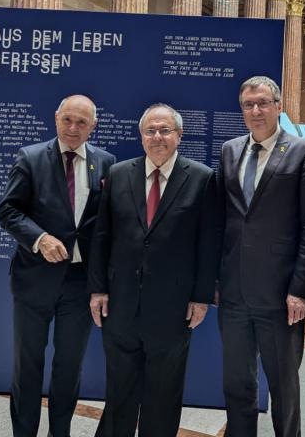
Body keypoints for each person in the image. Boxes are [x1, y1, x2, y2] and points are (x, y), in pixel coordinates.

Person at [88, 103, 222, 437]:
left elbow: (208, 245)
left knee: (164, 393)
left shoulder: (202, 179)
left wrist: (202, 297)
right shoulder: (119, 174)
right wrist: (98, 289)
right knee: (119, 390)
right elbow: (102, 236)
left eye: (165, 130)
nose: (157, 137)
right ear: (141, 136)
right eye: (150, 130)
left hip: (173, 307)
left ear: (179, 135)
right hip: (120, 304)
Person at [0, 95, 116, 437]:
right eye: (68, 120)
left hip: (80, 283)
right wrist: (40, 238)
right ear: (56, 118)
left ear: (93, 125)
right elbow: (8, 210)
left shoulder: (106, 162)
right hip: (34, 280)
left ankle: (58, 432)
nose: (73, 128)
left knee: (69, 366)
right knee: (27, 365)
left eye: (82, 122)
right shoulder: (31, 158)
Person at [217, 76, 305, 437]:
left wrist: (301, 289)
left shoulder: (303, 152)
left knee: (283, 385)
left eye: (263, 103)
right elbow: (222, 220)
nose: (256, 111)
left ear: (279, 106)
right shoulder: (230, 150)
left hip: (281, 296)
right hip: (234, 293)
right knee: (237, 381)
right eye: (249, 105)